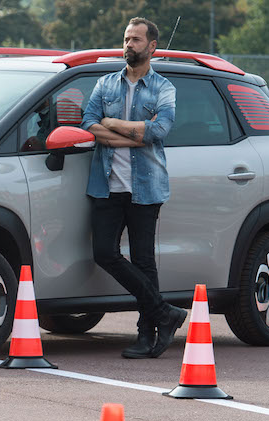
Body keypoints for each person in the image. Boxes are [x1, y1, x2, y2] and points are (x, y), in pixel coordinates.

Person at [81, 17, 187, 359]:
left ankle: (146, 335)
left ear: (151, 46)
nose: (129, 44)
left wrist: (112, 124)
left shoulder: (164, 88)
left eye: (136, 39)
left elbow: (158, 132)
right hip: (107, 185)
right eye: (126, 38)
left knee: (144, 261)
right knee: (103, 253)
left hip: (146, 188)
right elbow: (88, 124)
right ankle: (164, 312)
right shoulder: (105, 84)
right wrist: (133, 135)